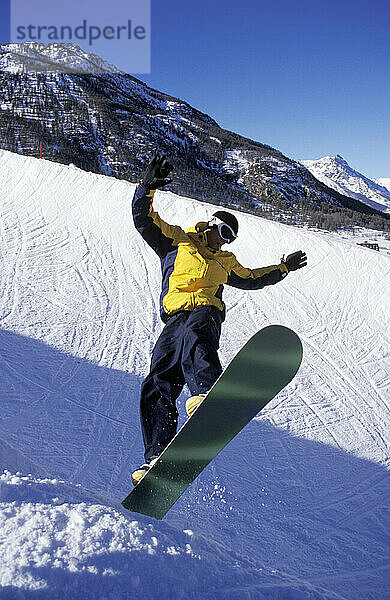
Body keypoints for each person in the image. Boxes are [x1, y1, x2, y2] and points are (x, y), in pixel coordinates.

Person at [131, 154, 307, 484]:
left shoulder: (226, 261)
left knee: (198, 340)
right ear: (211, 224)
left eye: (231, 237)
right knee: (157, 380)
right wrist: (146, 187)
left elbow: (252, 278)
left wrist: (282, 268)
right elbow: (144, 220)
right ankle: (156, 456)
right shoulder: (177, 240)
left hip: (205, 312)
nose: (225, 240)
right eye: (224, 232)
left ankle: (206, 392)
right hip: (173, 317)